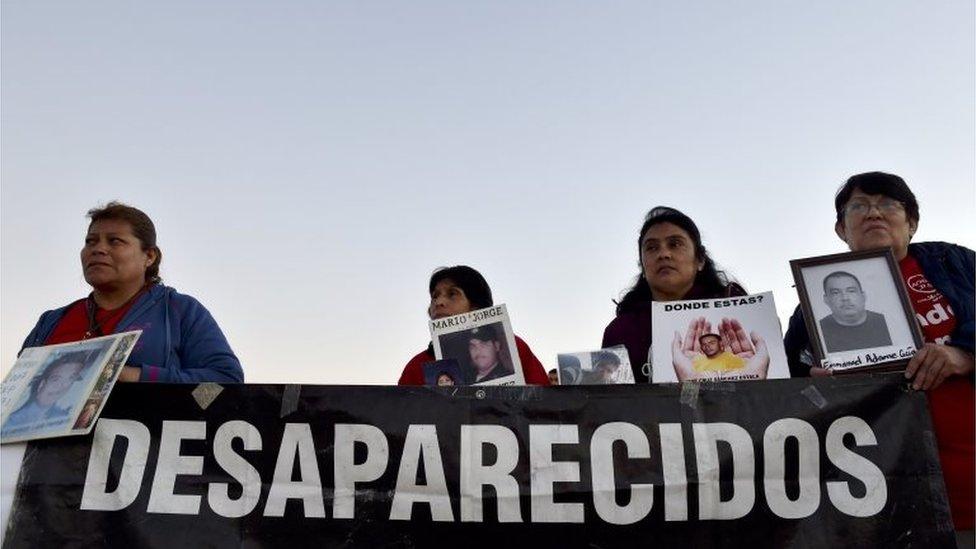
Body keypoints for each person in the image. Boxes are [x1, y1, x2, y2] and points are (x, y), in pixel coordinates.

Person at [783, 172, 974, 537]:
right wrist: (816, 387)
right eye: (859, 206)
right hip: (887, 508)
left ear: (912, 223)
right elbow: (788, 389)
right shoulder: (810, 308)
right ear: (841, 229)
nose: (874, 214)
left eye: (888, 204)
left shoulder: (956, 264)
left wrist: (964, 356)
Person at [20, 202, 244, 383]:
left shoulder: (179, 311)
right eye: (90, 241)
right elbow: (16, 394)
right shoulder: (51, 321)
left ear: (149, 256)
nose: (98, 249)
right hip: (52, 441)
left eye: (114, 241)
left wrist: (134, 376)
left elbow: (227, 379)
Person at [603, 206, 746, 382]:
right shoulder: (619, 331)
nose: (663, 254)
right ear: (642, 266)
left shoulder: (736, 315)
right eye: (652, 248)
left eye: (675, 244)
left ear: (700, 260)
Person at [397, 265, 550, 385]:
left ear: (476, 307)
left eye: (452, 294)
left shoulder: (515, 348)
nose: (438, 302)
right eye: (434, 297)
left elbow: (548, 407)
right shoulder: (416, 366)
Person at [2, 351, 92, 433]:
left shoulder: (62, 416)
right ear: (41, 384)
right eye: (55, 379)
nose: (62, 386)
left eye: (70, 379)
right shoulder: (11, 422)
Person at [671, 318, 769, 380]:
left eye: (712, 342)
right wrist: (689, 383)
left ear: (721, 344)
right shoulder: (696, 363)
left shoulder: (739, 361)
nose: (707, 346)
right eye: (704, 344)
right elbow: (689, 405)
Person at [818, 271, 892, 351]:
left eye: (851, 291)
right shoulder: (818, 332)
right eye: (836, 293)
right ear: (826, 300)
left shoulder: (887, 322)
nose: (845, 298)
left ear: (863, 296)